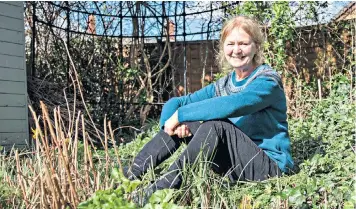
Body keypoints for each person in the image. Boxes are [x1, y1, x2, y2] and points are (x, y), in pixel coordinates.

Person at [124, 16, 294, 206]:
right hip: (236, 165)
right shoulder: (225, 84)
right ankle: (127, 180)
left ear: (256, 46)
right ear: (223, 47)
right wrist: (171, 124)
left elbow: (235, 103)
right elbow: (177, 101)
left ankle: (157, 192)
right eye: (230, 43)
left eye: (244, 43)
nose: (236, 50)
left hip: (268, 169)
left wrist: (181, 115)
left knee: (216, 126)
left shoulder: (267, 80)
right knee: (192, 122)